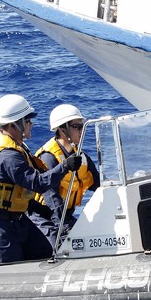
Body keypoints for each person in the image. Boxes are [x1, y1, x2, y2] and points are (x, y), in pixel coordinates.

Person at [0, 94, 79, 263]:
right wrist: (65, 166)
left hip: (16, 219)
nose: (31, 124)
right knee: (11, 270)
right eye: (27, 121)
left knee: (45, 252)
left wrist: (42, 209)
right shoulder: (7, 155)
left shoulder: (17, 147)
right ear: (14, 125)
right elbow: (37, 183)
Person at [29, 104, 100, 247]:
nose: (82, 131)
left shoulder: (80, 156)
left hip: (66, 215)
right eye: (77, 127)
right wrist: (64, 227)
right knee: (59, 249)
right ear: (63, 130)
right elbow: (52, 197)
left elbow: (98, 184)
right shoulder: (48, 157)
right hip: (45, 218)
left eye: (82, 126)